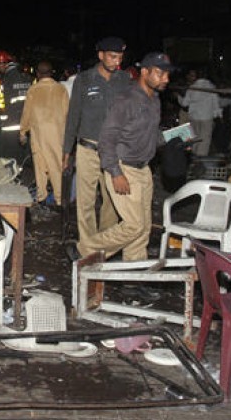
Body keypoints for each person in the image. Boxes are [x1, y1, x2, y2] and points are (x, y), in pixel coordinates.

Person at [73, 52, 174, 261]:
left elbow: (150, 137)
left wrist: (174, 139)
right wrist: (115, 173)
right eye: (160, 73)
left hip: (144, 169)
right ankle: (84, 250)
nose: (166, 79)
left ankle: (134, 272)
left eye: (167, 74)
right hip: (124, 168)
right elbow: (107, 139)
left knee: (143, 228)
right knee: (133, 225)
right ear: (144, 72)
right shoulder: (126, 100)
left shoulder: (154, 100)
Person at [63, 37, 131, 258]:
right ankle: (88, 248)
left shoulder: (125, 80)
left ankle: (102, 246)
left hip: (114, 151)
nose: (116, 61)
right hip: (87, 149)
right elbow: (73, 117)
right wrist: (67, 151)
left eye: (120, 57)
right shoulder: (84, 80)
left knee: (112, 202)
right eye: (112, 56)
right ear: (100, 55)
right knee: (85, 202)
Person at [19, 60, 68, 206]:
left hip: (39, 134)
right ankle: (60, 199)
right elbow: (67, 112)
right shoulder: (61, 89)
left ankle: (41, 197)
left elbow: (26, 113)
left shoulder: (33, 90)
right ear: (51, 72)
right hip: (57, 134)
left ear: (38, 74)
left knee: (40, 166)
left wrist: (23, 132)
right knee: (56, 166)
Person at [178, 68, 221, 156]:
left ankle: (194, 156)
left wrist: (179, 97)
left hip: (194, 117)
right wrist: (218, 115)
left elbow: (185, 103)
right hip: (207, 117)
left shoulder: (192, 87)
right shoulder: (211, 87)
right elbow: (216, 103)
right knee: (205, 139)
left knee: (195, 137)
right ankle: (201, 158)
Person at [0, 56, 32, 160]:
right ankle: (22, 168)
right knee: (23, 148)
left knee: (11, 151)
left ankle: (15, 172)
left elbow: (5, 100)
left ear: (6, 65)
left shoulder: (8, 77)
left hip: (11, 119)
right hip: (26, 119)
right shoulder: (26, 76)